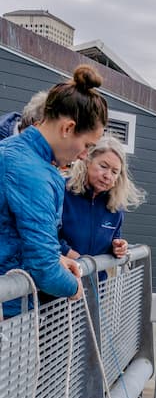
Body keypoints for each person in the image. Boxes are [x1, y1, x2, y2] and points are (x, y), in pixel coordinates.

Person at [0, 64, 108, 317]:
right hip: (9, 313)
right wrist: (74, 288)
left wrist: (58, 259)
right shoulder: (34, 173)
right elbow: (44, 269)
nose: (83, 156)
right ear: (68, 128)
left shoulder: (10, 150)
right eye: (86, 145)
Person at [59, 134, 145, 261]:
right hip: (62, 275)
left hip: (98, 280)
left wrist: (118, 247)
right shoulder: (62, 190)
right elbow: (45, 237)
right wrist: (81, 262)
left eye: (114, 172)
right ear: (87, 161)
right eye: (103, 166)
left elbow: (114, 237)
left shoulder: (115, 206)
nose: (107, 176)